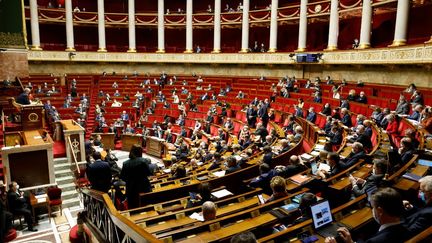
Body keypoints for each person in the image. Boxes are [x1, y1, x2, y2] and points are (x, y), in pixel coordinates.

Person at [325, 187, 409, 243]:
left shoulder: (376, 241)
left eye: (373, 207)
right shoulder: (406, 226)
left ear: (380, 211)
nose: (372, 210)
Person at [120, 144, 152, 208]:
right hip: (144, 187)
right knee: (145, 205)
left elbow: (123, 177)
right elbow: (148, 173)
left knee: (133, 207)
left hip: (131, 189)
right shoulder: (144, 161)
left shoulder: (125, 163)